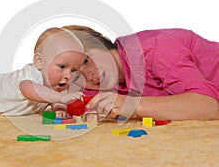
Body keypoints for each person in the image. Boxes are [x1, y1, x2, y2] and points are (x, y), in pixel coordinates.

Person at [63, 25, 219, 121]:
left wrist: (131, 105)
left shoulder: (154, 48)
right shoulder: (100, 82)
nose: (88, 75)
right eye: (76, 74)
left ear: (101, 45)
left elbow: (208, 106)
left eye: (86, 61)